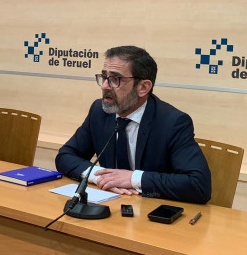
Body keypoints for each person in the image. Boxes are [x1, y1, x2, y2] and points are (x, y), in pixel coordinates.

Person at [55, 45, 211, 204]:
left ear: (143, 87)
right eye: (104, 77)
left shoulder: (172, 122)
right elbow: (65, 156)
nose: (104, 86)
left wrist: (133, 179)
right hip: (110, 205)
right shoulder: (99, 111)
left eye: (115, 79)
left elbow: (198, 185)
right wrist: (101, 177)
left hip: (151, 210)